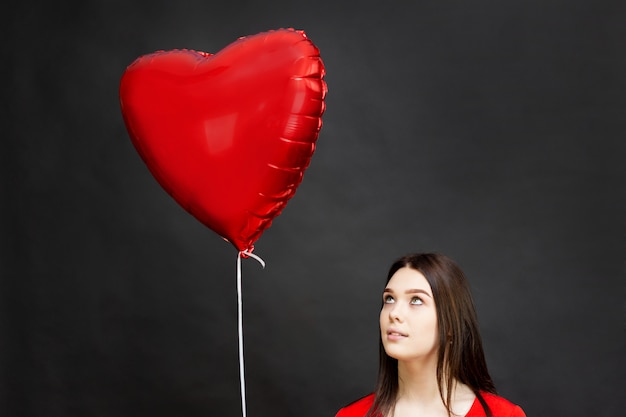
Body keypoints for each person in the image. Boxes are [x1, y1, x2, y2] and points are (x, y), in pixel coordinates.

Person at [335, 253, 525, 417]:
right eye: (389, 299)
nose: (394, 313)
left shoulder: (502, 414)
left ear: (451, 323)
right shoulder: (351, 414)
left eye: (416, 300)